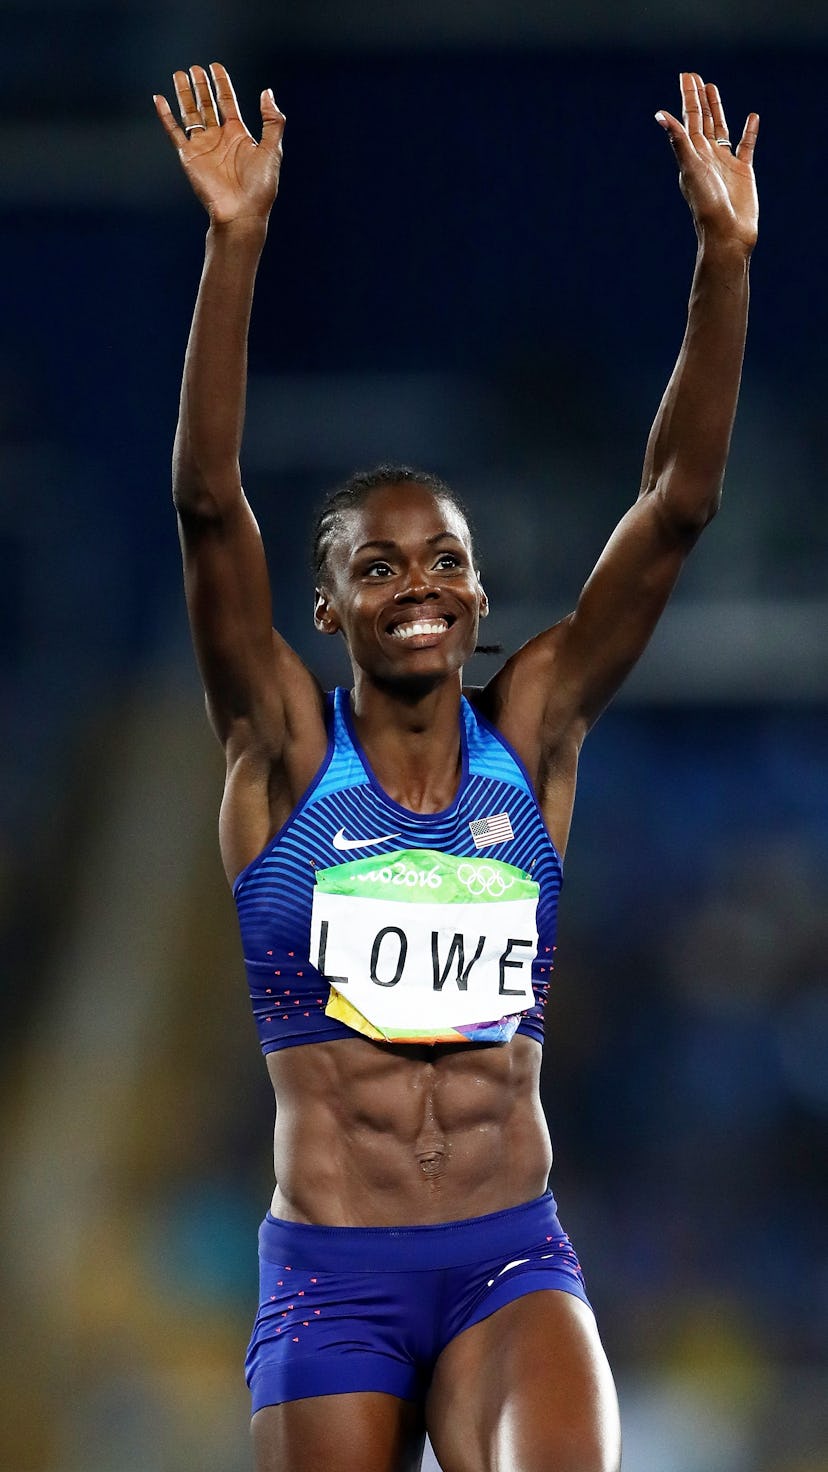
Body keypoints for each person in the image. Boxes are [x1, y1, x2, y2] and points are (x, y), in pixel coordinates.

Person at [153, 63, 758, 1472]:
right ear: (331, 608)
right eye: (380, 566)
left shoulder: (532, 734)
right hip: (334, 1276)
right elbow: (205, 503)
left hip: (510, 1261)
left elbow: (677, 505)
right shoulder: (283, 749)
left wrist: (723, 265)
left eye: (446, 561)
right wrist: (235, 245)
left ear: (482, 596)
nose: (418, 586)